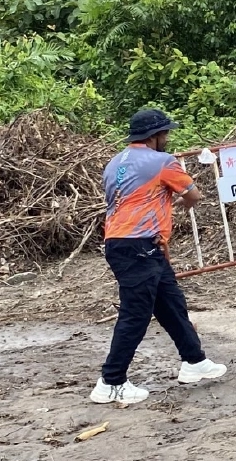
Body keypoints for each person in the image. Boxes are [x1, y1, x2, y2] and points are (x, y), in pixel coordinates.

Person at [92, 109, 228, 404]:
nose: (167, 138)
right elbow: (194, 195)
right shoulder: (163, 162)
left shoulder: (114, 162)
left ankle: (195, 361)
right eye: (165, 133)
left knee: (170, 303)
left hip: (123, 242)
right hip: (139, 245)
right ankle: (111, 381)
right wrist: (175, 205)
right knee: (135, 314)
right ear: (155, 136)